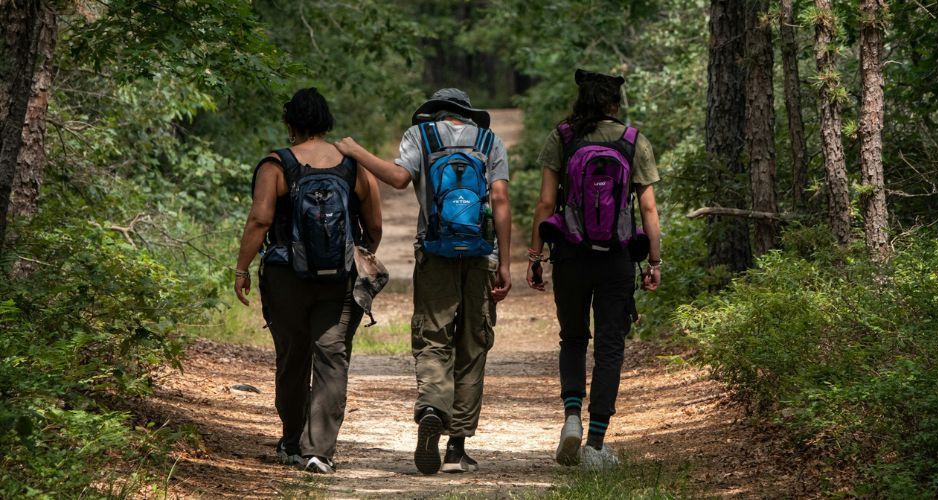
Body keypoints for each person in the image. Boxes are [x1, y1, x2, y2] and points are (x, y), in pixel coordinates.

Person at [334, 88, 512, 475]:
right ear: (467, 114)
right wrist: (506, 264)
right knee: (473, 342)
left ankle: (432, 407)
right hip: (482, 254)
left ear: (434, 112)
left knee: (434, 337)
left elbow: (399, 179)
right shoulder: (490, 141)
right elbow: (500, 200)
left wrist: (355, 151)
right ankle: (456, 449)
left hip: (434, 252)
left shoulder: (421, 136)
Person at [233, 88, 383, 474]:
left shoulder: (276, 164)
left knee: (293, 357)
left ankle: (291, 441)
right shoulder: (352, 165)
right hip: (339, 279)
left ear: (290, 123)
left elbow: (260, 220)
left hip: (286, 277)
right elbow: (375, 225)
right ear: (327, 121)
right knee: (332, 358)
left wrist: (242, 268)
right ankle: (319, 451)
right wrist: (355, 252)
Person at [526, 70, 661, 468]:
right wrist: (654, 262)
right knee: (609, 347)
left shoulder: (563, 138)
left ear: (580, 100)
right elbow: (649, 209)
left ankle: (571, 418)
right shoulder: (633, 141)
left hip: (571, 254)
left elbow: (545, 204)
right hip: (617, 258)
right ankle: (597, 444)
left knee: (572, 338)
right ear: (614, 103)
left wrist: (535, 258)